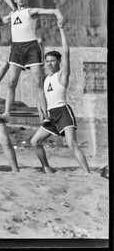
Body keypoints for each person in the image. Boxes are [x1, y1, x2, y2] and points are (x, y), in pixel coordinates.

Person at [30, 21, 92, 177]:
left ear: (58, 62)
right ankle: (46, 168)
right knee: (34, 142)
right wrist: (41, 115)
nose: (50, 63)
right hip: (50, 115)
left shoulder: (62, 75)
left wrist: (62, 29)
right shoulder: (45, 79)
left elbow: (66, 52)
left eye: (53, 60)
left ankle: (88, 172)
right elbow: (40, 98)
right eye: (47, 61)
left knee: (71, 144)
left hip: (63, 112)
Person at [0, 0, 64, 122]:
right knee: (11, 82)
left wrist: (59, 16)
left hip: (32, 48)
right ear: (14, 0)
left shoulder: (31, 11)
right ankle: (6, 113)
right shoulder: (12, 14)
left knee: (38, 83)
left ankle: (45, 117)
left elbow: (53, 10)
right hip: (16, 48)